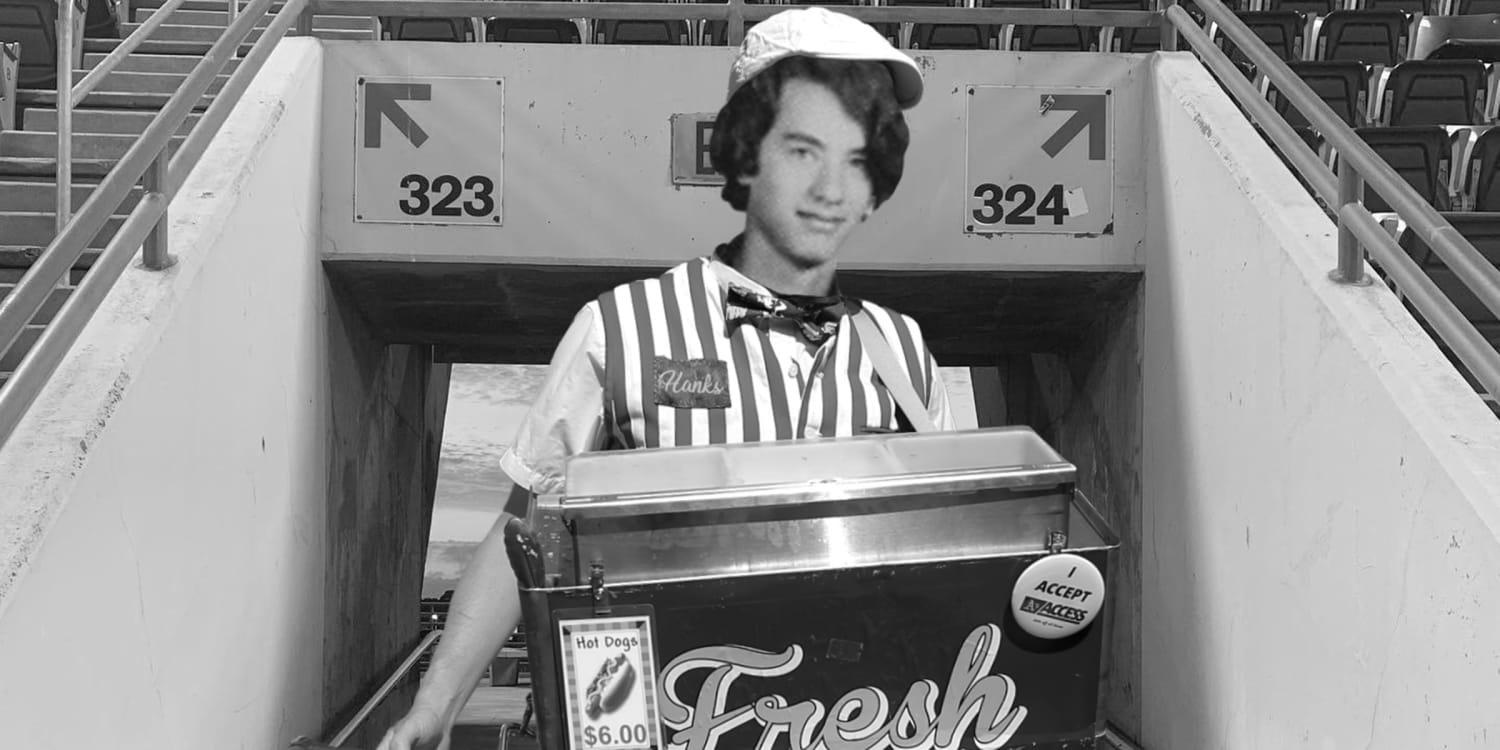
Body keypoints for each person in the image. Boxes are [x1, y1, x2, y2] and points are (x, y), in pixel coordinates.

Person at [378, 8, 955, 749]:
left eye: (857, 160)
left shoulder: (901, 350)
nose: (831, 190)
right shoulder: (622, 326)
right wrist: (437, 706)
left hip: (853, 722)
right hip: (662, 722)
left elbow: (950, 559)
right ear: (746, 155)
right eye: (803, 150)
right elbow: (525, 529)